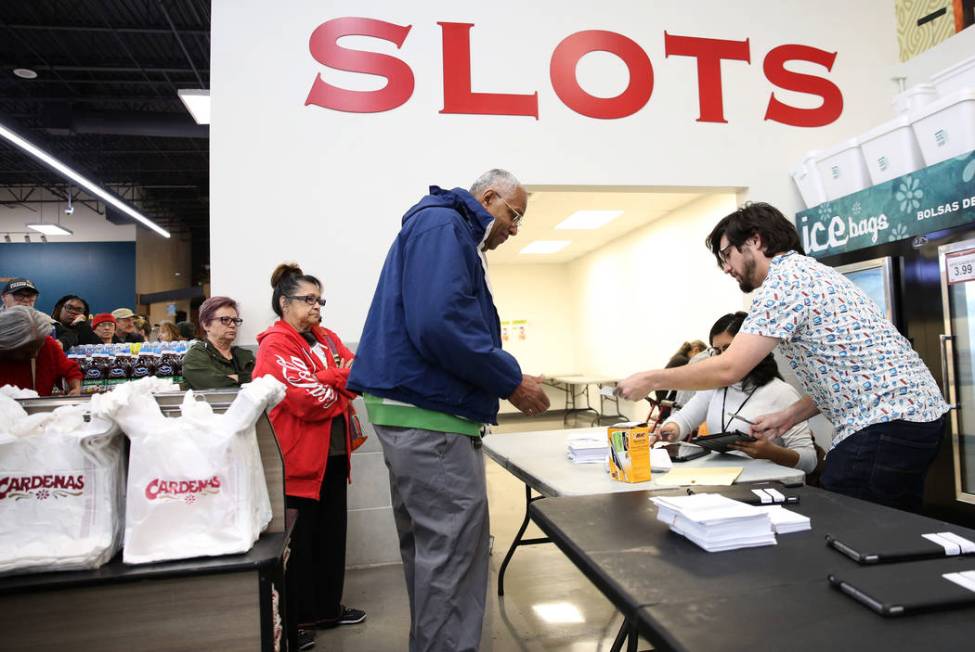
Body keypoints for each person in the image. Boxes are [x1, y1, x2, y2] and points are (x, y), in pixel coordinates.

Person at [618, 202, 948, 512]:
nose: (726, 268)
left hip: (884, 423)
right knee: (891, 530)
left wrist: (651, 378)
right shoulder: (808, 273)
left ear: (755, 240)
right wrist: (789, 416)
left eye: (726, 255)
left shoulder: (784, 281)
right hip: (916, 418)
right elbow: (849, 373)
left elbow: (730, 367)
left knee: (853, 527)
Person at [347, 169, 551, 652]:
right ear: (488, 198)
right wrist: (510, 381)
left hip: (413, 412)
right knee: (454, 556)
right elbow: (441, 324)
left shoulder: (439, 228)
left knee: (434, 557)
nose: (515, 228)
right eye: (513, 215)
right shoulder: (444, 227)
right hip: (429, 415)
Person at [253, 263, 365, 651]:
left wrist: (329, 378)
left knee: (332, 538)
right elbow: (304, 400)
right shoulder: (275, 344)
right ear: (285, 303)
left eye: (320, 300)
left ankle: (327, 609)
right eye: (308, 299)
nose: (317, 306)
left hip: (334, 457)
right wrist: (336, 381)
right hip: (298, 461)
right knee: (298, 547)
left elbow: (359, 371)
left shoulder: (328, 338)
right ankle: (296, 621)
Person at [657, 312, 817, 473]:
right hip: (720, 480)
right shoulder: (715, 387)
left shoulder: (781, 392)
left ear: (753, 348)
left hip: (765, 486)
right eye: (717, 351)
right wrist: (672, 429)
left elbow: (809, 461)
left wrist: (772, 453)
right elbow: (683, 419)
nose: (723, 358)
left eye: (729, 349)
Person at [0, 306, 82, 396]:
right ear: (7, 345)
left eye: (38, 347)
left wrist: (75, 387)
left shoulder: (47, 344)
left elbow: (70, 371)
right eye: (27, 351)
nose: (35, 354)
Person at [183, 296, 255, 390]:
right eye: (225, 320)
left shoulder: (244, 355)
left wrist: (237, 378)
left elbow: (263, 382)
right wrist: (246, 380)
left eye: (235, 320)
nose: (233, 325)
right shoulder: (195, 356)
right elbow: (217, 387)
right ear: (206, 325)